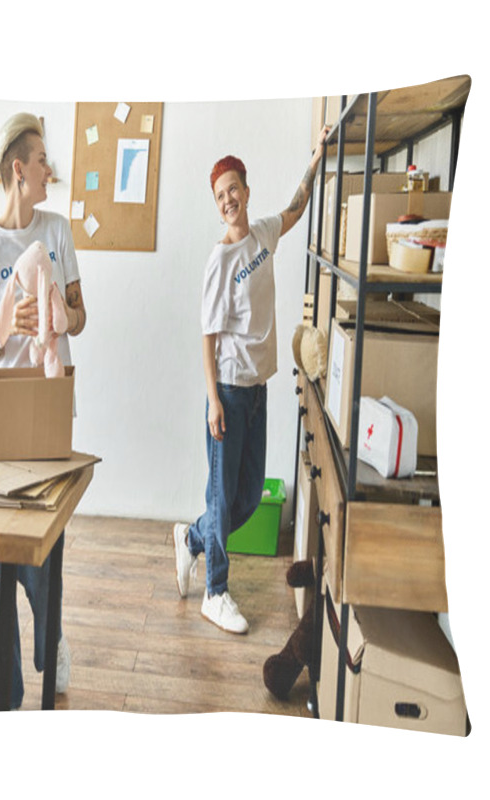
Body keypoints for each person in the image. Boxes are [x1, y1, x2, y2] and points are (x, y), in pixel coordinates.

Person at [173, 126, 329, 634]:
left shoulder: (262, 234)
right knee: (223, 498)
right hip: (230, 396)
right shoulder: (220, 262)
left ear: (246, 188)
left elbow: (297, 207)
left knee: (243, 500)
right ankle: (215, 592)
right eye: (220, 196)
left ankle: (192, 539)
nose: (228, 200)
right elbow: (208, 337)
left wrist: (315, 160)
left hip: (258, 391)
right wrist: (213, 400)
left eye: (233, 189)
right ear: (216, 205)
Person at [0, 112, 87, 709]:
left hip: (47, 394)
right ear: (19, 169)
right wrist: (4, 329)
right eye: (42, 162)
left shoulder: (58, 230)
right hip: (0, 403)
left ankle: (51, 641)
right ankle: (5, 699)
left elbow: (81, 319)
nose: (49, 171)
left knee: (43, 549)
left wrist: (60, 307)